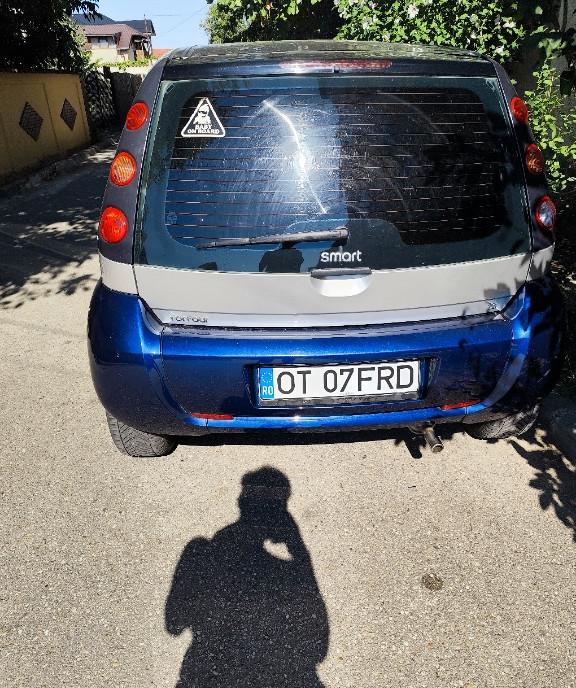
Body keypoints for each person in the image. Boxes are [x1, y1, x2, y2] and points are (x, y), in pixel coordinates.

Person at [165, 467, 329, 688]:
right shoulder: (285, 572)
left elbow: (174, 624)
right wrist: (298, 550)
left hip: (206, 675)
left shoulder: (202, 551)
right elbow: (318, 647)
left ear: (241, 503)